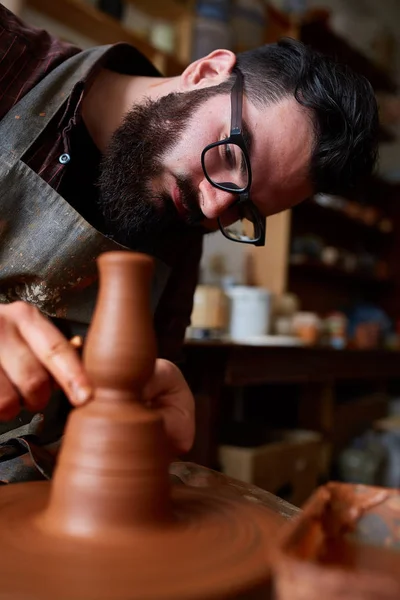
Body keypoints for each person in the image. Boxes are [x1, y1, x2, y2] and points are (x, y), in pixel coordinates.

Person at [0, 4, 378, 475]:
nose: (215, 207)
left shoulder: (178, 232)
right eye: (232, 158)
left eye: (245, 209)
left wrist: (148, 412)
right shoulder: (7, 57)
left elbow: (121, 407)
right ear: (206, 72)